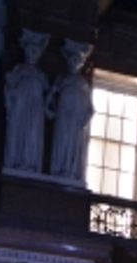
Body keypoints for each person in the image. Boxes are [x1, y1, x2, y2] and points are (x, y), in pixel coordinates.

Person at [47, 40, 94, 181]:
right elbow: (50, 95)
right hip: (63, 114)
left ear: (80, 65)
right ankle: (59, 169)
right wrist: (48, 108)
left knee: (73, 145)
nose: (74, 64)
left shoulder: (83, 83)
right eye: (72, 61)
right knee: (62, 140)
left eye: (77, 61)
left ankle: (70, 171)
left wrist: (85, 119)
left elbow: (90, 109)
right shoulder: (62, 79)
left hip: (76, 118)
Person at [3, 29, 48, 173]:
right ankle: (17, 162)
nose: (31, 55)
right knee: (19, 132)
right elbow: (9, 87)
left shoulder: (41, 75)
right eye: (30, 52)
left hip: (34, 109)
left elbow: (47, 95)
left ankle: (29, 164)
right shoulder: (19, 70)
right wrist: (11, 97)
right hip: (21, 107)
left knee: (32, 136)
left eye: (35, 52)